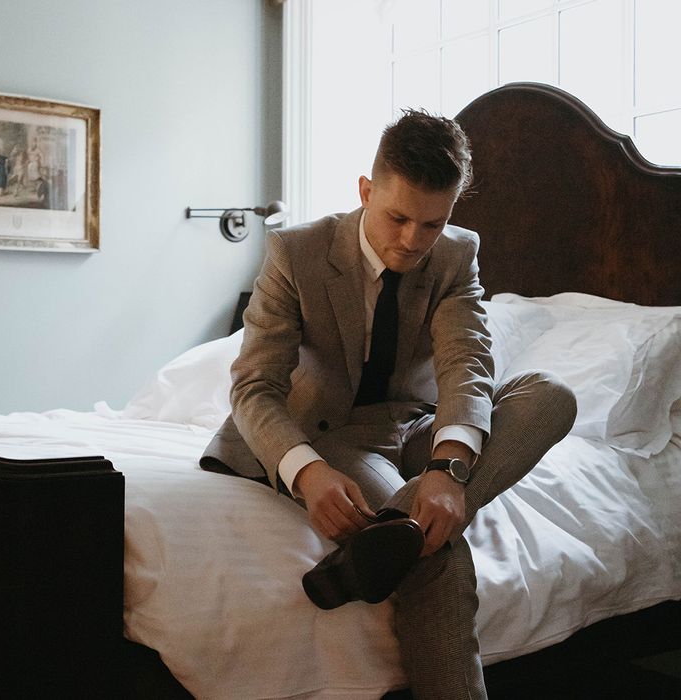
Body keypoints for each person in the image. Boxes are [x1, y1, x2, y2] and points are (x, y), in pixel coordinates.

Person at [200, 109, 577, 699]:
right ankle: (403, 538)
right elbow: (253, 387)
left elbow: (466, 364)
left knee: (551, 396)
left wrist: (449, 473)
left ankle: (383, 541)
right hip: (334, 436)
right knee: (435, 551)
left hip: (419, 426)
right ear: (365, 190)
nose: (412, 240)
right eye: (397, 217)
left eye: (432, 223)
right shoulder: (296, 253)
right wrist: (307, 473)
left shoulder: (456, 255)